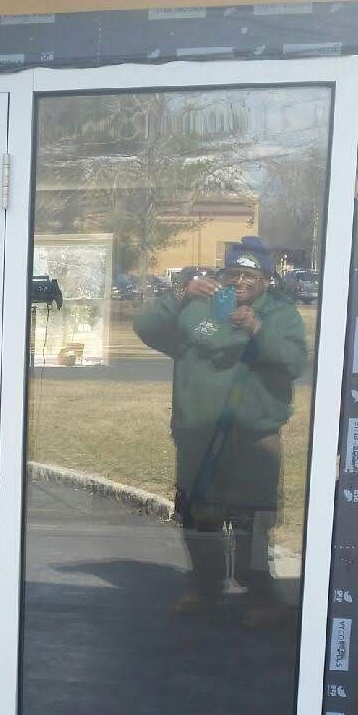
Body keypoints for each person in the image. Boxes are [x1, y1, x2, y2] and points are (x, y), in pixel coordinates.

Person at [132, 237, 308, 617]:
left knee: (253, 517)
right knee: (199, 514)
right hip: (197, 431)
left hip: (254, 433)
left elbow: (294, 362)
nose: (240, 282)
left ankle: (257, 593)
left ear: (266, 279)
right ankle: (206, 586)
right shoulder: (198, 306)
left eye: (250, 275)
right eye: (233, 274)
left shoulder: (280, 313)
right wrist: (180, 294)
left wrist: (257, 328)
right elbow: (146, 328)